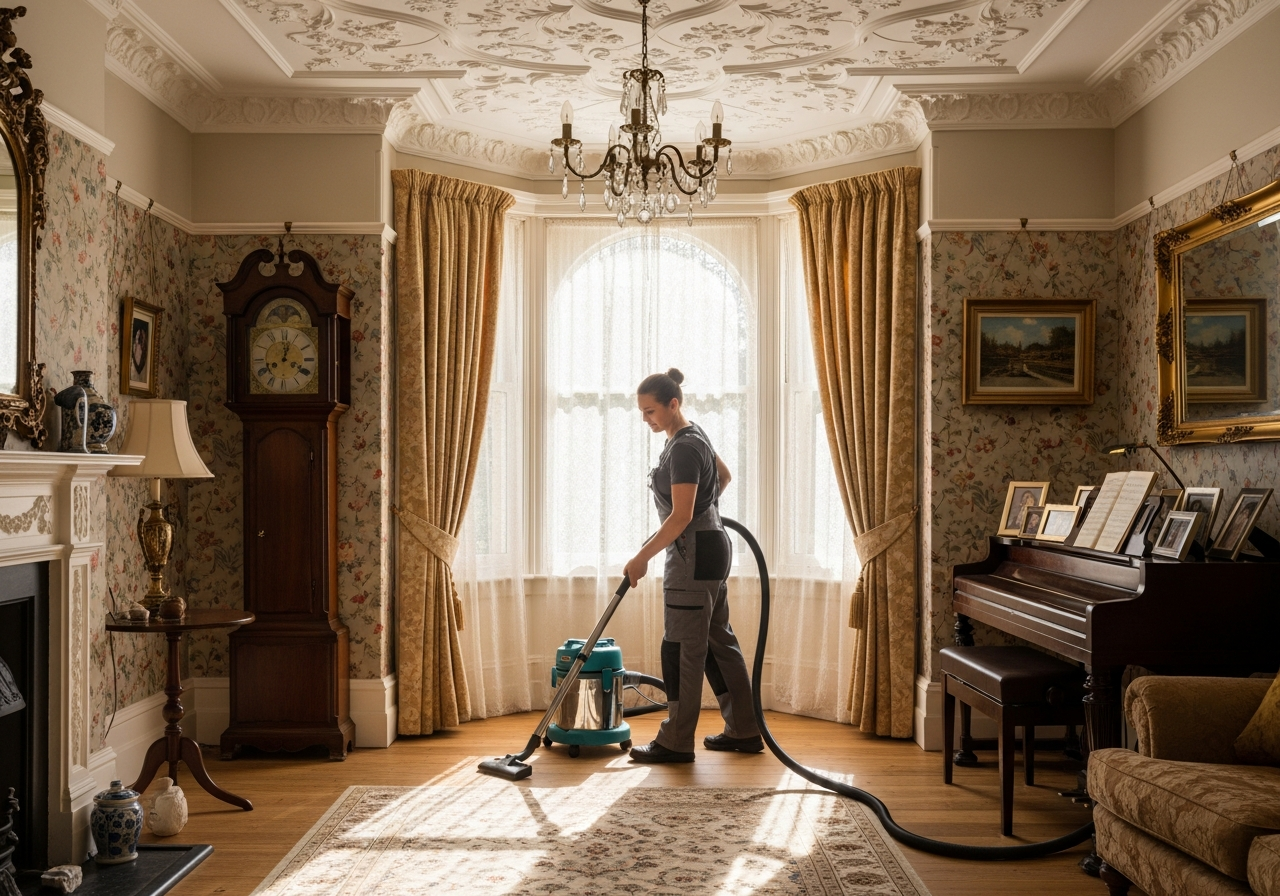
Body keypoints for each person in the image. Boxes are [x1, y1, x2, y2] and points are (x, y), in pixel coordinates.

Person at [622, 368, 763, 763]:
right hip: (714, 547)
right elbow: (724, 477)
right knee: (719, 643)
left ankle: (676, 740)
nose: (645, 419)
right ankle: (745, 729)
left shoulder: (682, 448)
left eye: (651, 411)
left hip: (692, 555)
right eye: (641, 412)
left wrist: (640, 558)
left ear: (673, 404)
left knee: (683, 647)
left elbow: (680, 516)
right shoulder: (694, 435)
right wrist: (705, 512)